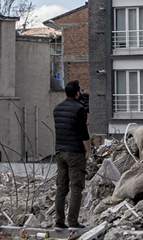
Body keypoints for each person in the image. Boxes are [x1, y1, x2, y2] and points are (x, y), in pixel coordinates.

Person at [53, 80, 90, 230]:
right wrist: (87, 150)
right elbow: (83, 132)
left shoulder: (57, 108)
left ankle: (59, 222)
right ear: (77, 93)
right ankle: (73, 222)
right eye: (80, 91)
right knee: (76, 187)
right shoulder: (79, 109)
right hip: (74, 152)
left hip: (59, 151)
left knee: (61, 187)